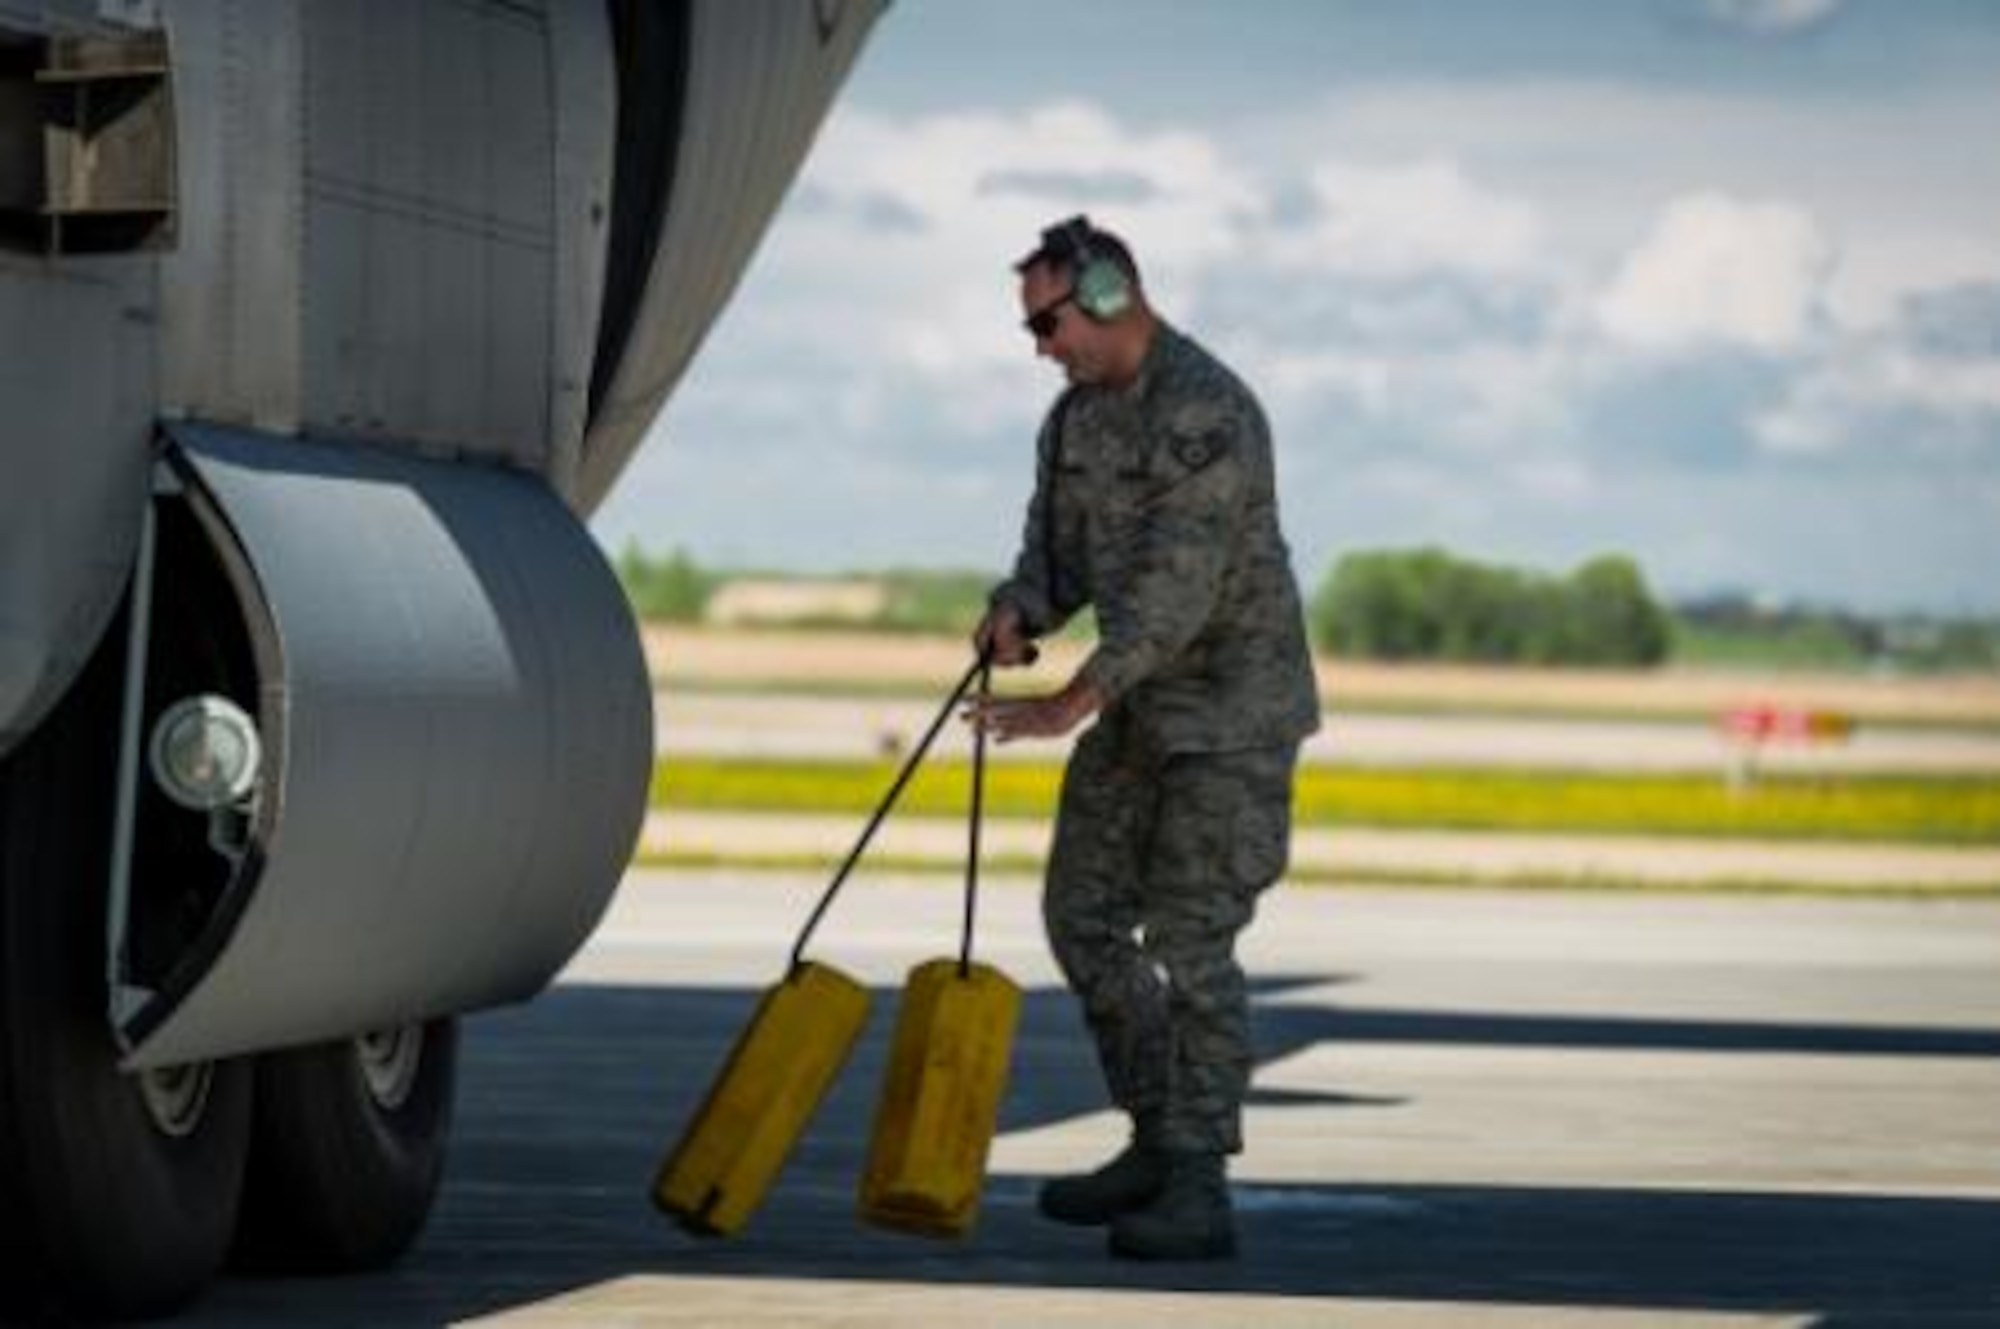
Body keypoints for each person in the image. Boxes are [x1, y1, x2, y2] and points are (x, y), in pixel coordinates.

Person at [967, 216, 1321, 1261]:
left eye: (1048, 321)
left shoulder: (1205, 412)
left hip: (1228, 719)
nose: (1038, 345)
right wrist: (1016, 613)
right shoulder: (1072, 421)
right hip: (1136, 709)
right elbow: (1053, 554)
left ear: (1112, 296)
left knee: (1188, 940)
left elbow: (1176, 596)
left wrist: (1069, 703)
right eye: (1030, 328)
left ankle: (1198, 1186)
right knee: (1078, 915)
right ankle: (1154, 1138)